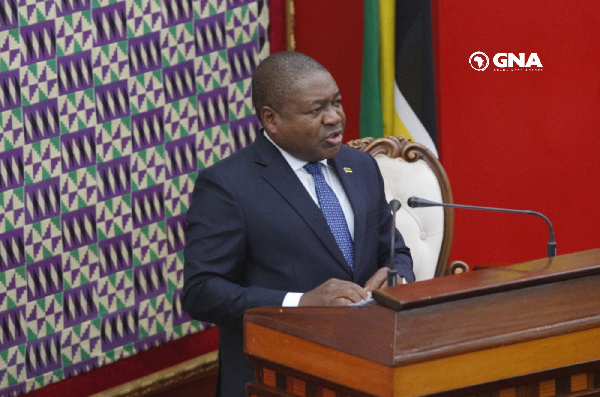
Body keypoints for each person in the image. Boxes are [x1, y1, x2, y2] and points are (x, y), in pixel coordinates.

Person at [182, 51, 414, 397]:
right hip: (276, 375)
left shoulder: (361, 166)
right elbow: (202, 291)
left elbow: (393, 249)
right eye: (316, 109)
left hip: (366, 367)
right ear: (271, 119)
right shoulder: (228, 185)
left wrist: (396, 273)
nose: (335, 117)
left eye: (336, 102)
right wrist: (300, 301)